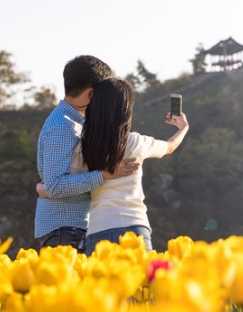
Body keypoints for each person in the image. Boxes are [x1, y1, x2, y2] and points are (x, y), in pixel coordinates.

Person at [40, 78, 189, 254]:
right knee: (139, 282)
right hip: (135, 228)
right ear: (126, 111)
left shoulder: (83, 148)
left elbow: (63, 186)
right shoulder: (136, 142)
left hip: (98, 230)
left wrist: (40, 188)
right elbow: (170, 147)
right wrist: (183, 128)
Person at [34, 55, 139, 250]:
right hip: (64, 229)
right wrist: (105, 175)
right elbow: (55, 185)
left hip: (70, 228)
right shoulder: (63, 127)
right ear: (91, 94)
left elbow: (49, 184)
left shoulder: (72, 122)